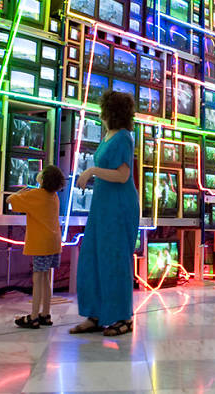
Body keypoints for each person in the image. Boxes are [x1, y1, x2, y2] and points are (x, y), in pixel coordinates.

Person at [70, 90, 140, 337]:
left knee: (115, 260)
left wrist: (92, 172)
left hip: (119, 207)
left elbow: (123, 176)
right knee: (93, 258)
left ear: (111, 111)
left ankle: (123, 317)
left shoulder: (123, 138)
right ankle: (96, 314)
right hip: (102, 206)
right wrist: (94, 172)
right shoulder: (108, 135)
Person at [8, 165, 66, 329]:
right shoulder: (54, 196)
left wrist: (17, 194)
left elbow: (11, 201)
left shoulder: (35, 194)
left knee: (38, 278)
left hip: (40, 243)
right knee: (47, 278)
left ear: (44, 178)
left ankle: (33, 316)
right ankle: (45, 314)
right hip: (54, 242)